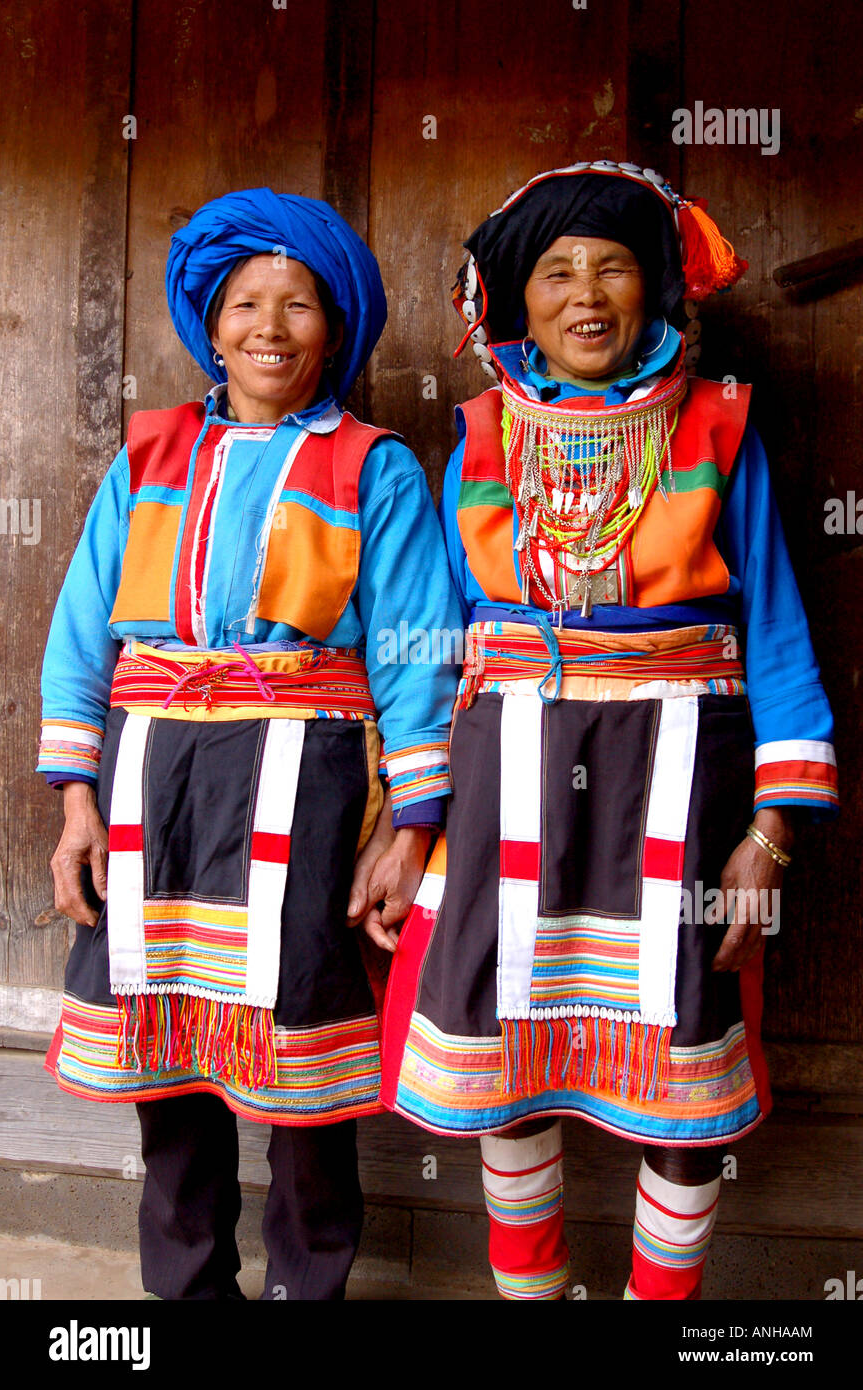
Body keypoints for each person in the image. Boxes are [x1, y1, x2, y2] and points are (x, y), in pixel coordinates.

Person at [380, 161, 838, 1301]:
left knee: (682, 1047)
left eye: (614, 265)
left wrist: (771, 834)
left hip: (678, 789)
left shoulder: (719, 428)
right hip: (507, 783)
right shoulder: (481, 436)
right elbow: (434, 644)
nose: (586, 292)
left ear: (655, 292)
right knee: (500, 1052)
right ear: (517, 303)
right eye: (555, 271)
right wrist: (415, 818)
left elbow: (775, 635)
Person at [38, 187, 460, 1300]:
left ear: (339, 327)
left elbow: (420, 657)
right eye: (244, 303)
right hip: (151, 779)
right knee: (167, 1049)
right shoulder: (150, 453)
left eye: (300, 304)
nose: (270, 326)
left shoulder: (379, 467)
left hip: (305, 780)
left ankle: (306, 1285)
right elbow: (83, 627)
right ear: (209, 324)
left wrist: (413, 825)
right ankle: (186, 1288)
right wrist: (76, 800)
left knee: (302, 1048)